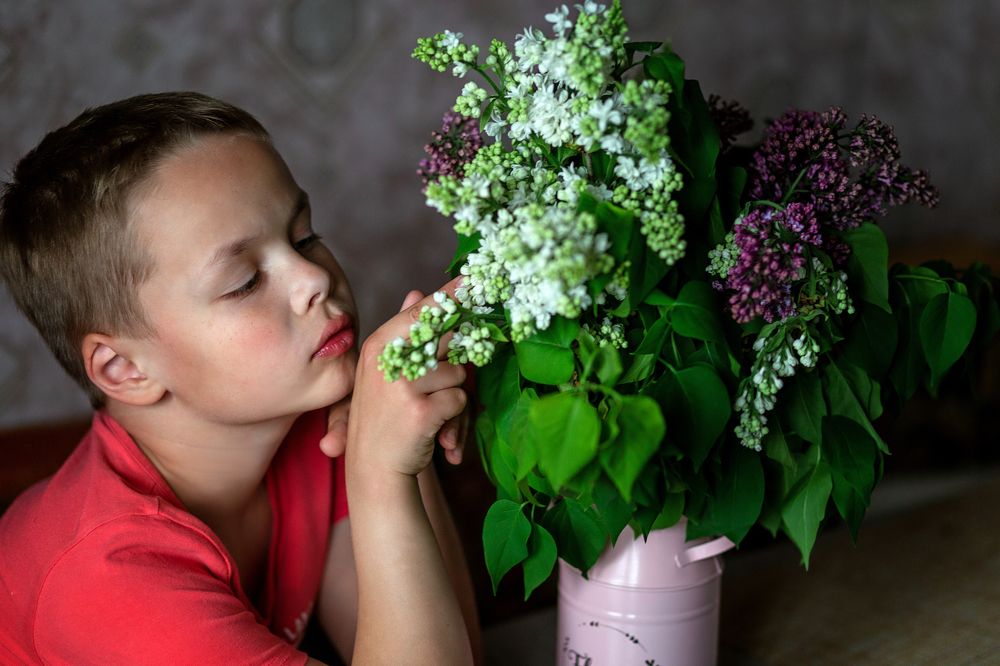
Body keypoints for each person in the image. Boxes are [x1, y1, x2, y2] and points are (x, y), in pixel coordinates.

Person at [0, 91, 481, 665]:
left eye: (303, 237)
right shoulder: (108, 580)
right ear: (124, 369)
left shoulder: (314, 429)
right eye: (244, 281)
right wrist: (380, 471)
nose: (313, 278)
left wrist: (401, 442)